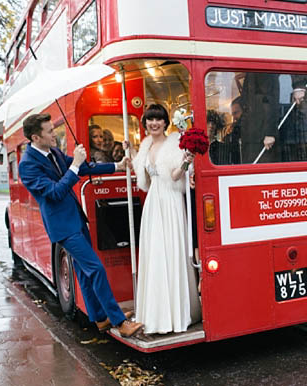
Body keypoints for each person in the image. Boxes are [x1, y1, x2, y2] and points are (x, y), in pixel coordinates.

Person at [18, 113, 142, 337]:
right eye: (49, 131)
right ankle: (120, 322)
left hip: (76, 219)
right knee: (95, 268)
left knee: (83, 273)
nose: (54, 134)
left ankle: (100, 318)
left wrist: (116, 166)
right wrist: (74, 164)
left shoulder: (52, 152)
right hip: (63, 228)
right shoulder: (27, 166)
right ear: (36, 137)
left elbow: (83, 169)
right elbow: (55, 193)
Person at [131, 103, 201, 334]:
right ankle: (156, 313)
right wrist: (132, 156)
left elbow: (174, 176)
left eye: (158, 119)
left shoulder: (174, 143)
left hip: (170, 202)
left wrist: (185, 162)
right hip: (153, 203)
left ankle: (175, 314)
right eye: (150, 119)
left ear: (165, 122)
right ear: (145, 123)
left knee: (170, 251)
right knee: (155, 254)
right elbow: (146, 182)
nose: (154, 123)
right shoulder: (145, 146)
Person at [280, 83, 307, 161]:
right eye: (295, 99)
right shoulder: (288, 113)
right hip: (291, 144)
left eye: (301, 99)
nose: (298, 103)